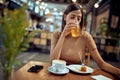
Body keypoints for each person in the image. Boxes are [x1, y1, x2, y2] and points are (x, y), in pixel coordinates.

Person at [50, 3, 120, 77]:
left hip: (77, 75)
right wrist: (63, 35)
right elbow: (52, 62)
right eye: (72, 17)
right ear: (65, 17)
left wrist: (118, 72)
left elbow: (101, 64)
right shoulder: (56, 35)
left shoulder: (85, 36)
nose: (75, 21)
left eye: (78, 18)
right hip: (59, 74)